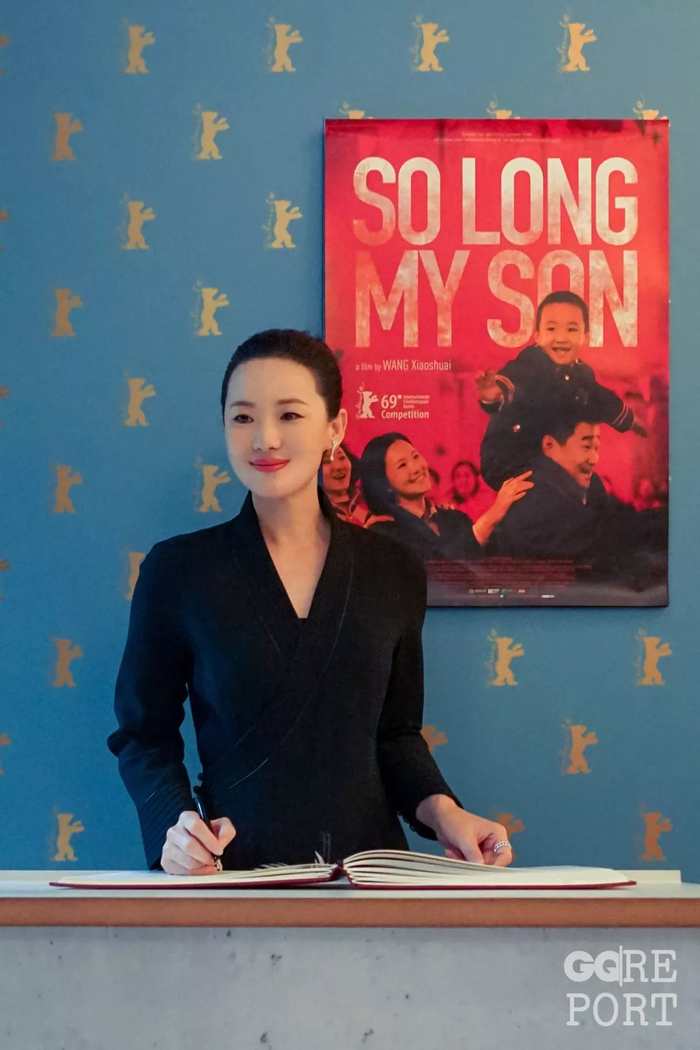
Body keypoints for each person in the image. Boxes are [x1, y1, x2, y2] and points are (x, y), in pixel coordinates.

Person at [107, 329, 514, 875]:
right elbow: (143, 735)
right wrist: (174, 828)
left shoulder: (393, 569)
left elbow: (396, 735)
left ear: (334, 428)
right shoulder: (178, 570)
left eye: (290, 415)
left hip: (371, 880)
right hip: (231, 876)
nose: (265, 439)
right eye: (243, 417)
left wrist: (446, 814)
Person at [475, 290, 646, 490]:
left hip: (545, 459)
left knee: (594, 490)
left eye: (571, 330)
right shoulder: (531, 362)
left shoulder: (582, 373)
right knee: (554, 490)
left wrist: (633, 422)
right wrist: (494, 394)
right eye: (552, 329)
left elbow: (602, 400)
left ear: (585, 336)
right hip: (508, 458)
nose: (561, 337)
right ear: (537, 336)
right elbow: (513, 380)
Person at [492, 411, 667, 570]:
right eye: (586, 447)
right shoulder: (533, 493)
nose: (594, 459)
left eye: (596, 447)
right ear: (549, 444)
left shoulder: (587, 483)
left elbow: (617, 518)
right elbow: (602, 534)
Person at [359, 432, 532, 560]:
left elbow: (494, 553)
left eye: (415, 456)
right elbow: (435, 567)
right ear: (385, 484)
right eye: (402, 465)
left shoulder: (455, 518)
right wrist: (492, 516)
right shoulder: (383, 533)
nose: (417, 468)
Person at [320, 440, 370, 525]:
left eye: (342, 458)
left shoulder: (369, 500)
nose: (338, 467)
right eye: (326, 461)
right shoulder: (314, 516)